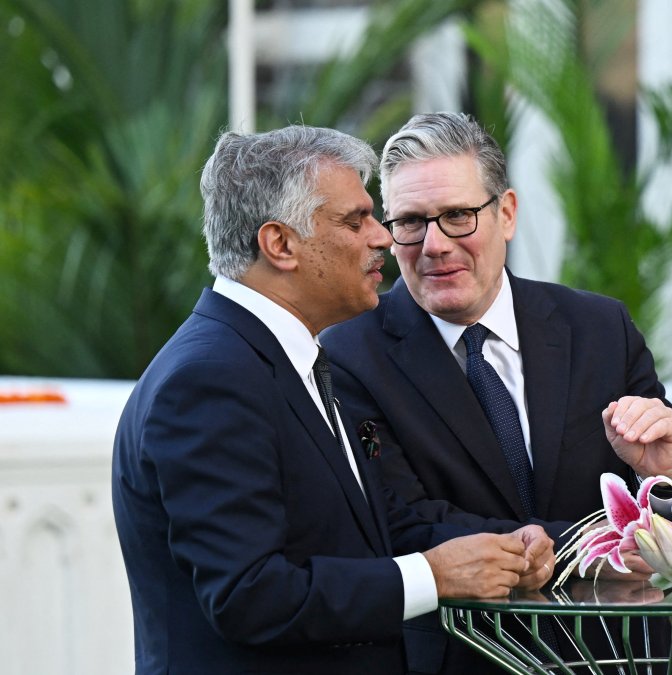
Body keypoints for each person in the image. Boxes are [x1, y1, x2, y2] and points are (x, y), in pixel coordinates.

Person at [111, 125, 555, 675]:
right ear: (280, 244)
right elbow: (249, 595)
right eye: (355, 220)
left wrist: (524, 549)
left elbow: (379, 526)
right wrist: (432, 577)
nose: (384, 238)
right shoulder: (209, 378)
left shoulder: (289, 358)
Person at [320, 112, 672, 672]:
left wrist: (665, 478)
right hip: (465, 659)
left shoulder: (599, 327)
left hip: (624, 658)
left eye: (458, 216)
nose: (433, 245)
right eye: (410, 222)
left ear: (505, 213)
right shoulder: (348, 356)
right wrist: (594, 548)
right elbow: (405, 524)